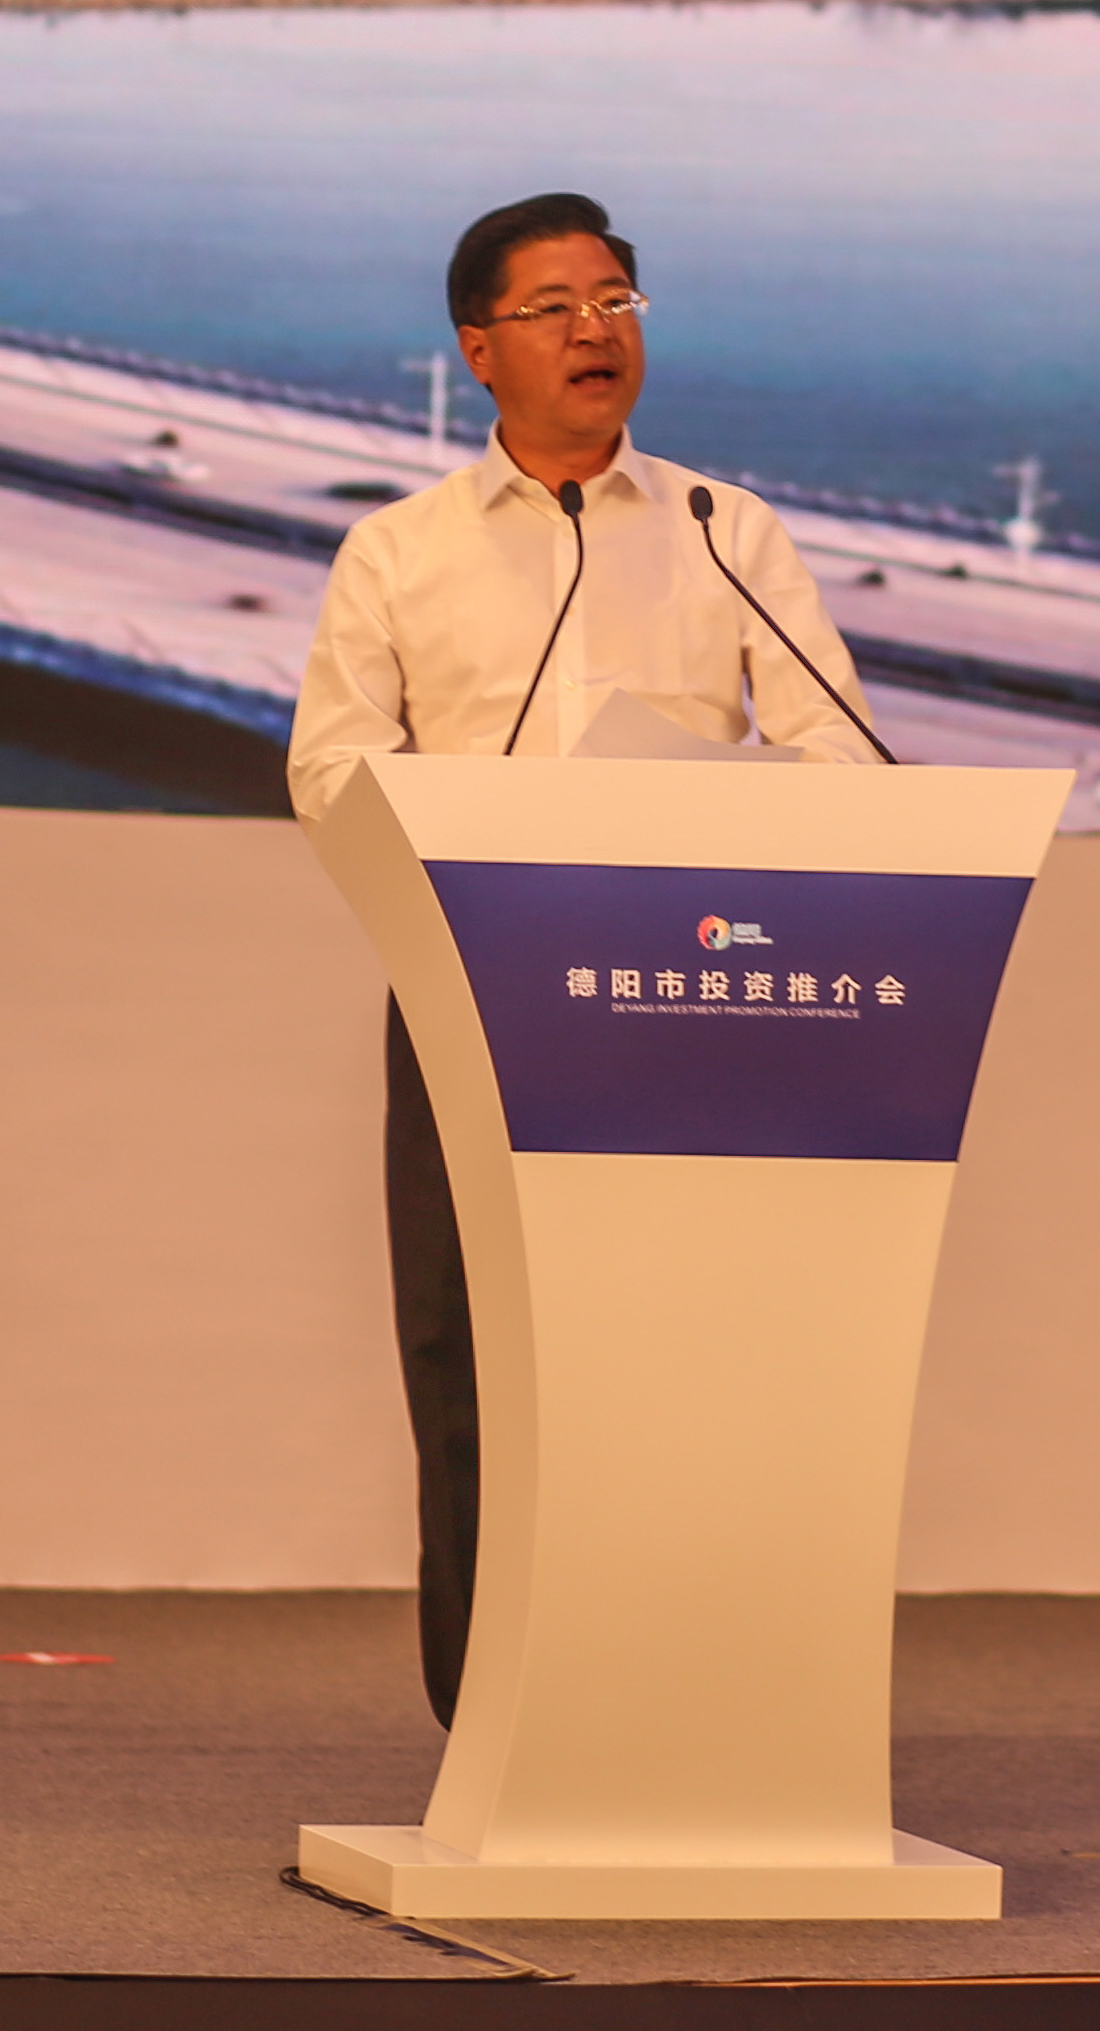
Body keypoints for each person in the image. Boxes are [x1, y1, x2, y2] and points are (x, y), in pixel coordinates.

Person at [288, 188, 886, 1723]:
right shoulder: (400, 551)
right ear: (478, 349)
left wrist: (718, 824)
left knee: (688, 1362)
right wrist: (467, 855)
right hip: (473, 994)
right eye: (551, 306)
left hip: (694, 1007)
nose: (593, 329)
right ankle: (489, 1713)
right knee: (471, 1354)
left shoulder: (723, 531)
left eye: (615, 299)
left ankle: (692, 1699)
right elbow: (331, 769)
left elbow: (839, 750)